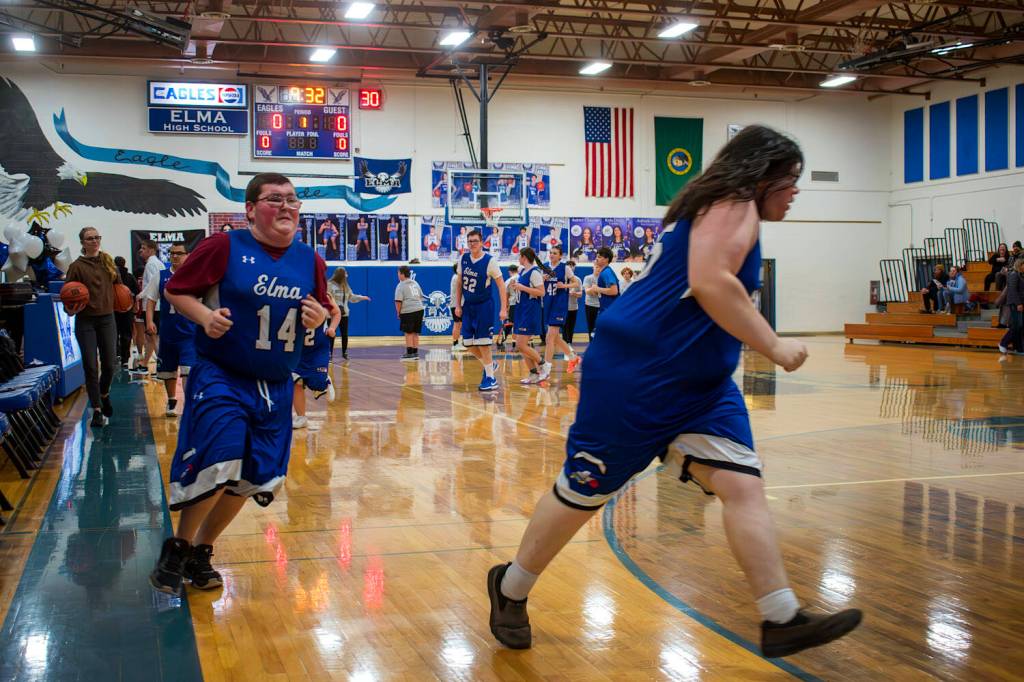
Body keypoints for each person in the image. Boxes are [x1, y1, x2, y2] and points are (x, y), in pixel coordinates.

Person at [485, 125, 861, 657]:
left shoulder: (720, 208)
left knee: (743, 486)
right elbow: (711, 282)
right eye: (791, 179)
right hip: (637, 373)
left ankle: (781, 617)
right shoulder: (735, 202)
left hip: (700, 385)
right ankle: (510, 588)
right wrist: (773, 345)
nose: (795, 192)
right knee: (585, 490)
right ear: (763, 175)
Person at [149, 173, 329, 595]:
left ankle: (201, 551)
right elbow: (177, 290)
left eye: (291, 199)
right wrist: (205, 317)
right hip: (223, 374)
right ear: (250, 209)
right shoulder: (224, 246)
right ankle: (178, 545)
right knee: (220, 458)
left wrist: (319, 318)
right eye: (273, 199)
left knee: (252, 477)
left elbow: (322, 308)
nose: (286, 206)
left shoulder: (310, 260)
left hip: (276, 382)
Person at [64, 227, 119, 428]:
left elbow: (119, 290)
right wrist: (70, 308)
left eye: (97, 237)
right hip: (85, 320)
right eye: (90, 238)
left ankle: (104, 393)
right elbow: (67, 295)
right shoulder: (76, 266)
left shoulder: (108, 261)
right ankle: (96, 409)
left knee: (110, 364)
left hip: (107, 319)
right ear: (82, 242)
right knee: (90, 364)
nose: (94, 241)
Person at [142, 244, 194, 417]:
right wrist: (149, 321)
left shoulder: (195, 275)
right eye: (172, 253)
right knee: (168, 370)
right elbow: (150, 300)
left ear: (188, 255)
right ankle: (172, 401)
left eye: (179, 253)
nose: (175, 256)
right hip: (168, 332)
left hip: (189, 332)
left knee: (188, 369)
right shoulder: (162, 276)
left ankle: (189, 405)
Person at [454, 229, 508, 391]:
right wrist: (458, 304)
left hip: (484, 306)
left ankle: (491, 378)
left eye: (475, 241)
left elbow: (501, 286)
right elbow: (459, 284)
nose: (472, 244)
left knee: (484, 343)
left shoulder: (490, 261)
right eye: (469, 241)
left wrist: (503, 308)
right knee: (468, 343)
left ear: (482, 242)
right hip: (468, 306)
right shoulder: (463, 258)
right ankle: (491, 364)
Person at [293, 295, 342, 429]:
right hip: (297, 348)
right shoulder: (291, 292)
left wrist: (332, 328)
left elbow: (337, 312)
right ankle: (301, 416)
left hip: (318, 348)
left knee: (317, 384)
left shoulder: (324, 294)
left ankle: (325, 381)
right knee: (296, 382)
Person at [510, 248, 548, 384]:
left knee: (521, 344)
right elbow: (523, 287)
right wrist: (517, 286)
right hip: (522, 309)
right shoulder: (522, 271)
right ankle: (533, 373)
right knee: (521, 345)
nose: (518, 258)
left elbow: (541, 292)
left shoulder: (535, 272)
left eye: (519, 256)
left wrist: (522, 288)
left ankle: (544, 365)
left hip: (530, 309)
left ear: (524, 257)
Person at [541, 246, 581, 374]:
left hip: (559, 304)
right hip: (548, 303)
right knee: (555, 337)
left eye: (555, 253)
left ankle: (546, 370)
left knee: (549, 338)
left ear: (560, 256)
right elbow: (538, 285)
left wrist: (564, 285)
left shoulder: (565, 267)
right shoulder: (544, 267)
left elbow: (576, 283)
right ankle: (573, 357)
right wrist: (542, 279)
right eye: (550, 253)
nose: (552, 255)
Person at [327, 267, 370, 361]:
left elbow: (352, 297)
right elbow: (327, 299)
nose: (347, 275)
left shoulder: (345, 286)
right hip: (332, 314)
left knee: (344, 334)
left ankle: (344, 352)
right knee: (331, 333)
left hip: (344, 314)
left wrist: (362, 297)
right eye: (345, 273)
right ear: (341, 274)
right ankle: (329, 353)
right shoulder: (329, 285)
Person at [135, 239, 164, 373]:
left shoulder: (151, 264)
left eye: (144, 248)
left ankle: (163, 365)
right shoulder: (158, 263)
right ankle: (145, 365)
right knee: (150, 338)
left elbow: (153, 285)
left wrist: (140, 295)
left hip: (153, 306)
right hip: (156, 305)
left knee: (153, 337)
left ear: (152, 250)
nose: (141, 251)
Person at [394, 266, 424, 361]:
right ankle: (415, 352)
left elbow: (398, 301)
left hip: (408, 310)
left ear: (402, 274)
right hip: (419, 309)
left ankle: (409, 353)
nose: (398, 275)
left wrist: (398, 312)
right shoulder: (415, 283)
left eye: (398, 273)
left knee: (408, 332)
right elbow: (421, 296)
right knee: (416, 332)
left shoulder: (401, 285)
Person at [113, 255, 138, 368]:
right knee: (126, 334)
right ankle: (125, 358)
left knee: (115, 334)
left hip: (114, 310)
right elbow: (137, 292)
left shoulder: (111, 278)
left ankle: (117, 355)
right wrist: (135, 305)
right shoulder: (130, 276)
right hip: (128, 310)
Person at [585, 247, 619, 321]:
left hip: (610, 309)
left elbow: (614, 291)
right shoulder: (604, 272)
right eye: (597, 256)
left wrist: (597, 288)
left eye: (599, 257)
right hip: (606, 308)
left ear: (606, 259)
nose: (596, 259)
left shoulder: (607, 272)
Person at [998, 259, 1024, 354]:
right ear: (1019, 265)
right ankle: (1003, 343)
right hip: (1015, 304)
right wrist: (1018, 304)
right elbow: (1013, 291)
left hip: (1019, 303)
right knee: (1017, 326)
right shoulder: (1014, 275)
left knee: (1020, 327)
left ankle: (1019, 348)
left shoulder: (1020, 275)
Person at [563, 261, 583, 348]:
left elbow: (580, 294)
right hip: (562, 307)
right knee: (564, 327)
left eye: (572, 266)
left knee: (571, 326)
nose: (570, 267)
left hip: (573, 307)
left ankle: (569, 343)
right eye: (568, 266)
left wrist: (574, 294)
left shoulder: (577, 279)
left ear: (574, 267)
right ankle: (564, 344)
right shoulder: (562, 278)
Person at [582, 270, 600, 342]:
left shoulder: (602, 278)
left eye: (599, 267)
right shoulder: (588, 278)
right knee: (591, 326)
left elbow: (604, 291)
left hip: (601, 305)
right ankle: (591, 342)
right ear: (593, 268)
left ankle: (599, 342)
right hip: (590, 304)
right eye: (596, 267)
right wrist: (594, 290)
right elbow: (587, 291)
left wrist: (595, 289)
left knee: (600, 325)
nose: (598, 269)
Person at [450, 264, 464, 351]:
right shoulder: (456, 278)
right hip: (456, 305)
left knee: (459, 324)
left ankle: (458, 343)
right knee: (457, 324)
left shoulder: (456, 277)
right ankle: (455, 344)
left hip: (459, 304)